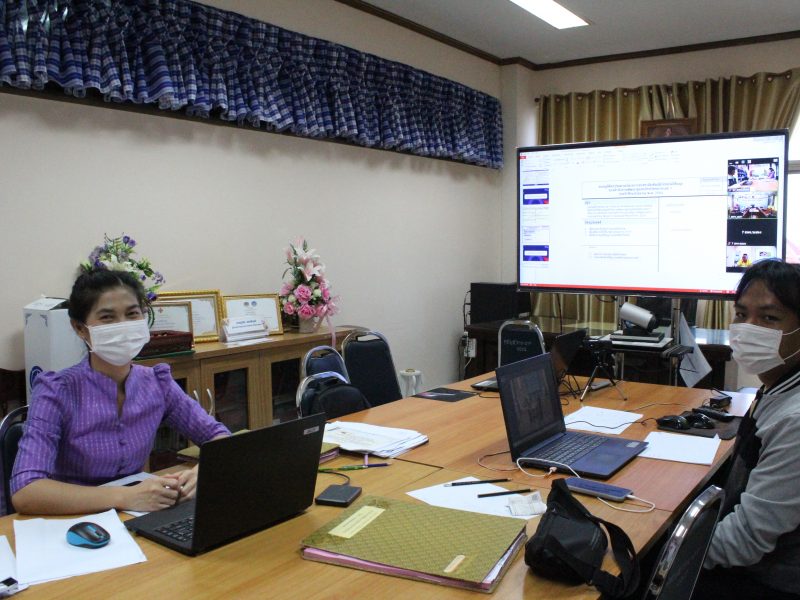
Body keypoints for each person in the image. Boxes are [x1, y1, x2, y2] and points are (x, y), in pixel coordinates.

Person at [10, 269, 230, 515]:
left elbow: (219, 436)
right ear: (80, 328)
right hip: (72, 520)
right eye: (107, 317)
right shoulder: (56, 391)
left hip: (136, 515)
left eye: (132, 314)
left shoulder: (157, 383)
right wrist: (125, 497)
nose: (123, 326)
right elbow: (26, 490)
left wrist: (203, 471)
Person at [693, 259, 800, 599]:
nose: (748, 328)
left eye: (769, 318)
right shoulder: (777, 387)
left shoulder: (795, 419)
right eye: (741, 314)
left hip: (767, 582)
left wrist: (659, 546)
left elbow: (743, 542)